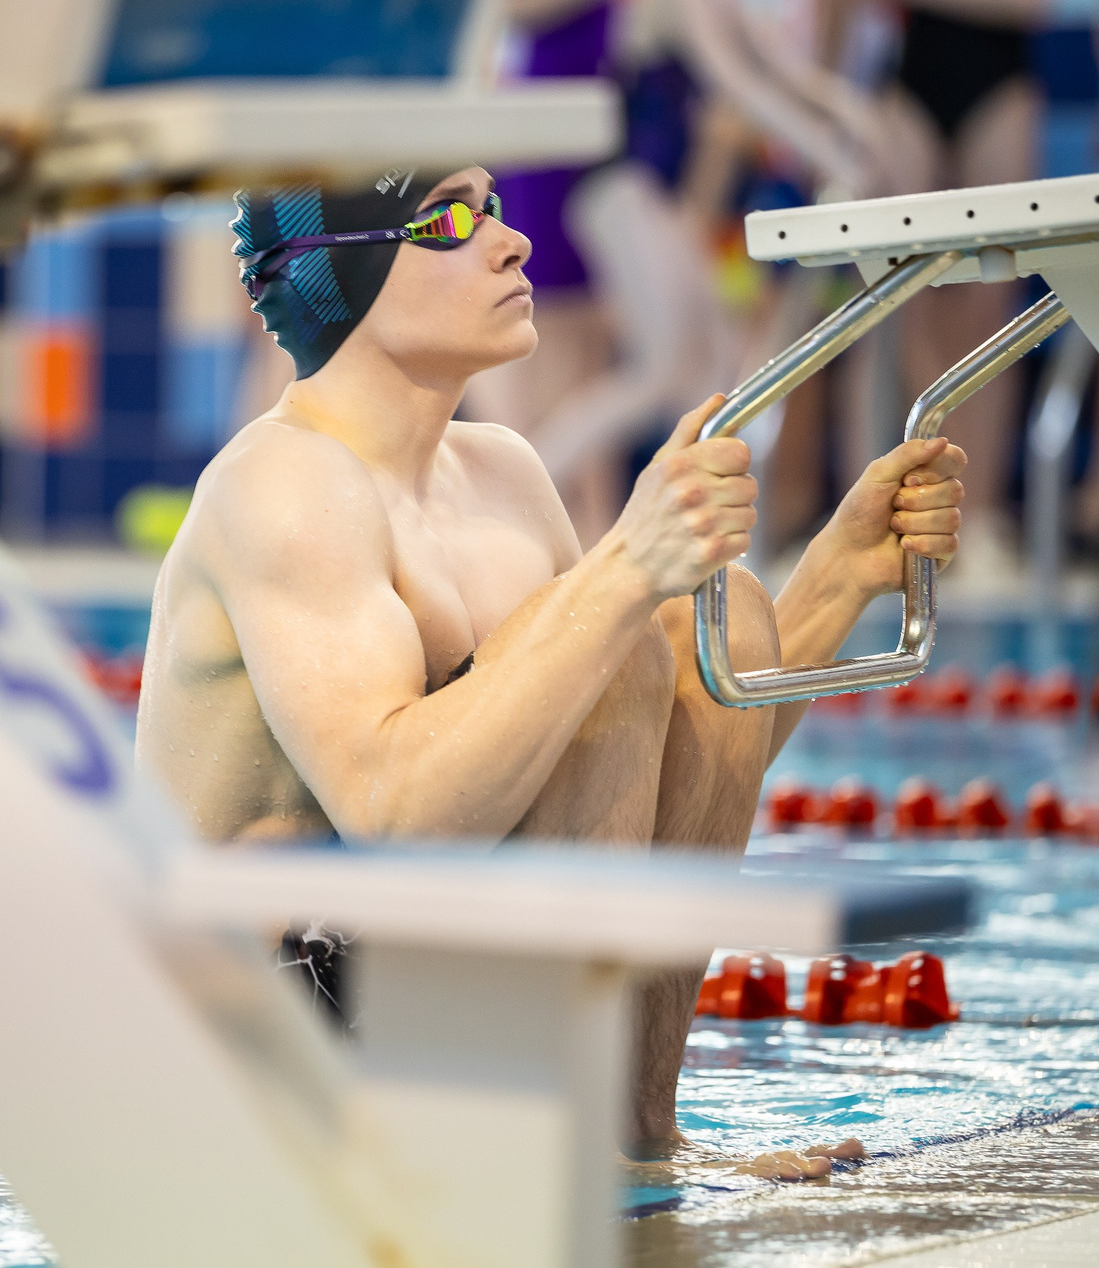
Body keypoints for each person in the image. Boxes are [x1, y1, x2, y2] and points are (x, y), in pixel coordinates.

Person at [136, 165, 967, 1161]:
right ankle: (584, 1156)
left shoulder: (502, 471)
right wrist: (626, 566)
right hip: (261, 1058)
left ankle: (634, 1142)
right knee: (613, 624)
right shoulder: (284, 486)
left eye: (490, 207)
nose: (511, 239)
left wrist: (839, 573)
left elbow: (651, 763)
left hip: (400, 994)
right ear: (337, 272)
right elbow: (392, 810)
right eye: (450, 218)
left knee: (716, 617)